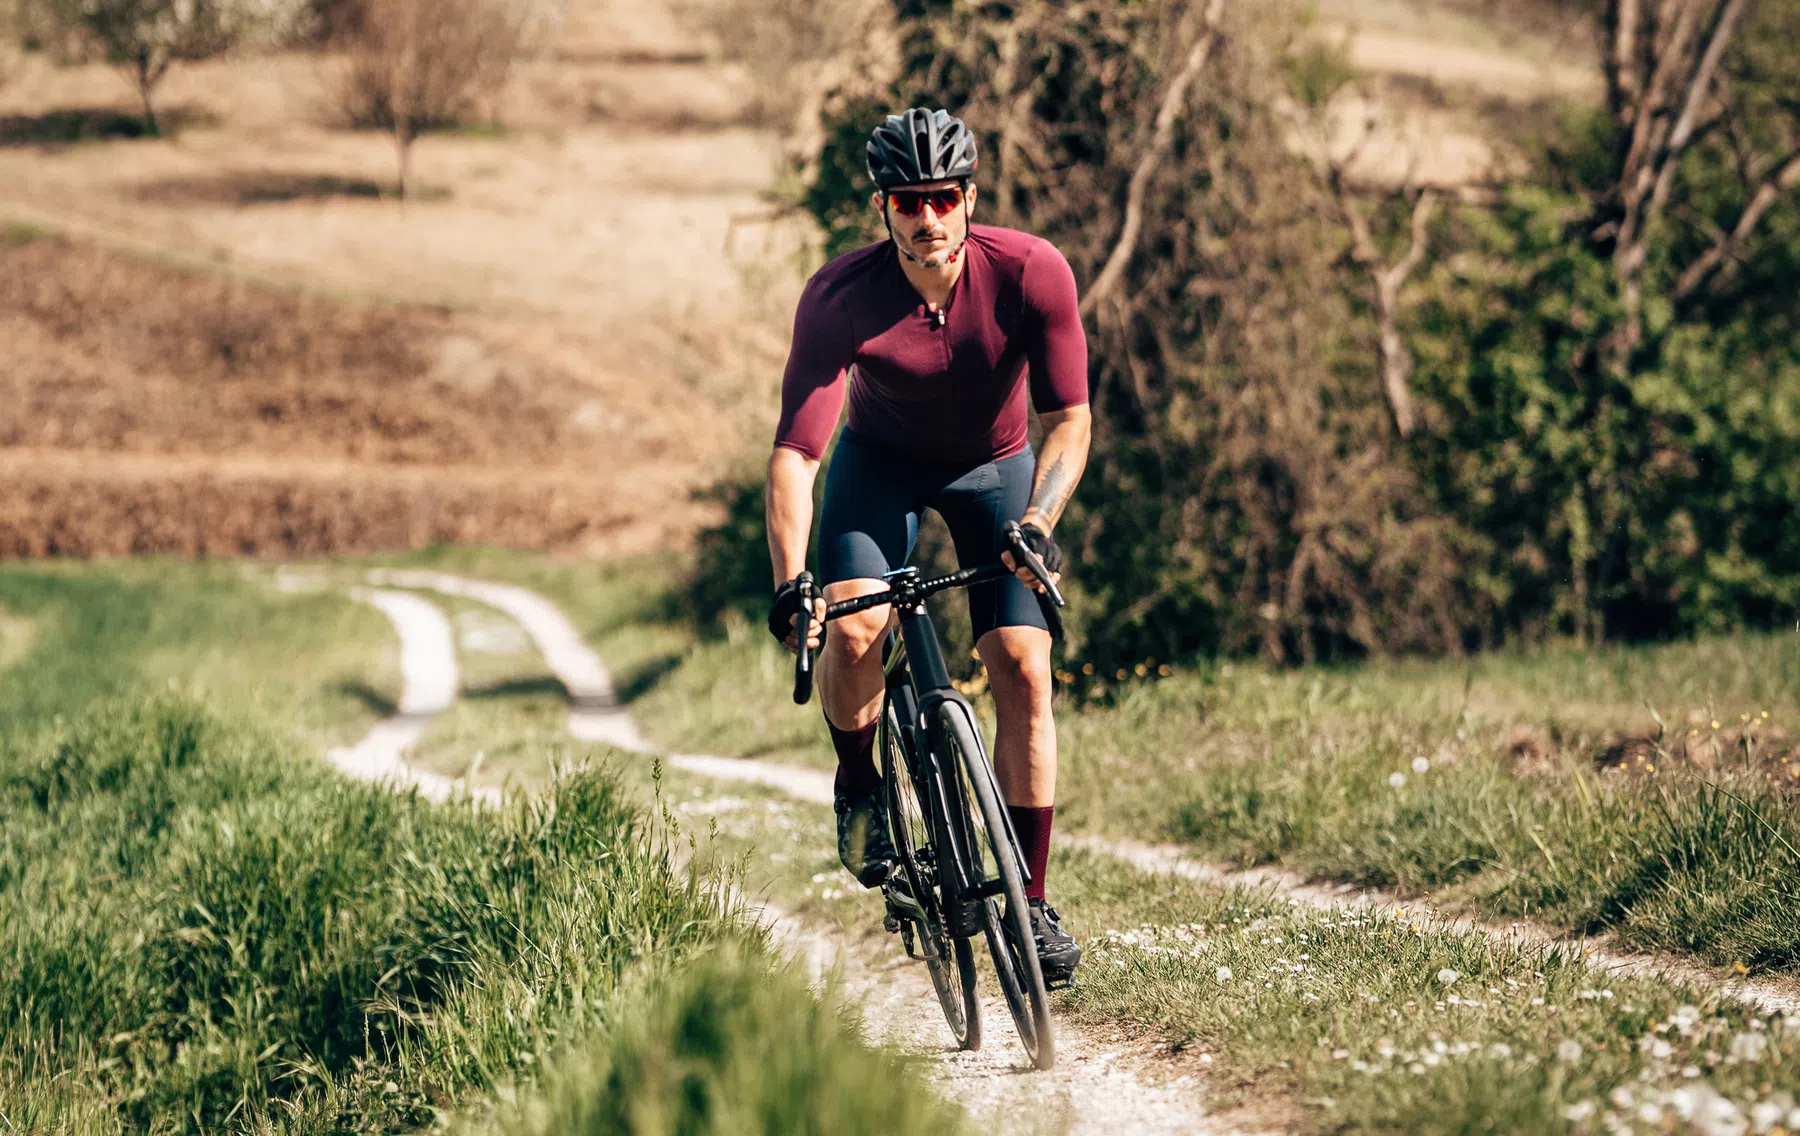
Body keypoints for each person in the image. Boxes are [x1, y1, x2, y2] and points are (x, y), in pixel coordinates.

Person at [764, 107, 1091, 984]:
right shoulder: (842, 297)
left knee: (1023, 662)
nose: (927, 217)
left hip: (997, 470)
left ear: (969, 198)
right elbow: (797, 455)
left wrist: (1039, 525)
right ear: (883, 208)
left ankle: (1032, 898)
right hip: (879, 471)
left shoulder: (1031, 273)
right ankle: (860, 782)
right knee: (855, 628)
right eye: (908, 200)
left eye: (943, 197)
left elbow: (1071, 420)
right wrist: (792, 582)